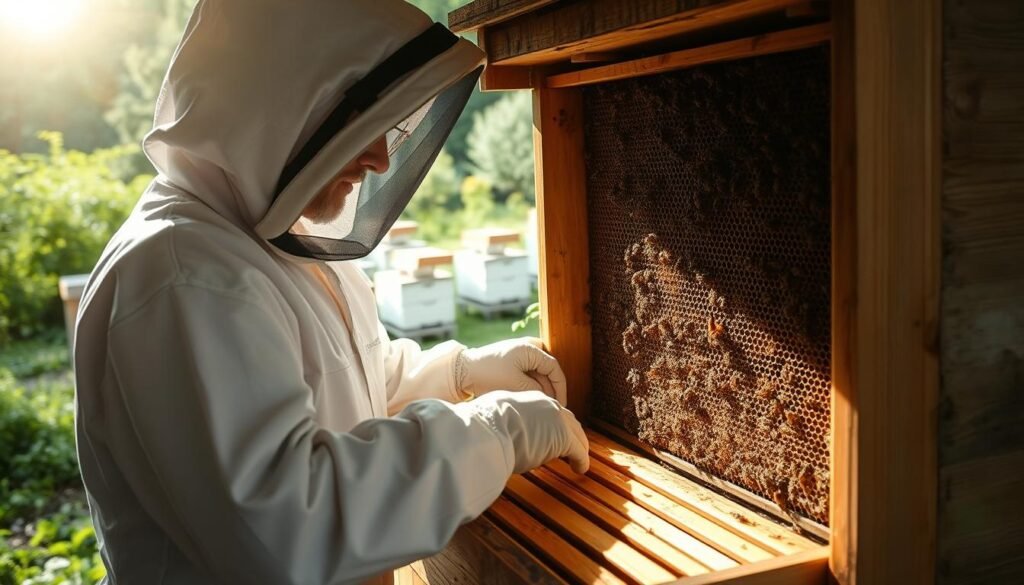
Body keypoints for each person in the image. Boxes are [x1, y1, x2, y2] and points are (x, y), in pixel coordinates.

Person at [72, 1, 589, 583]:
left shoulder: (269, 232)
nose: (380, 157)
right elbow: (289, 529)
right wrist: (493, 433)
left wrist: (457, 373)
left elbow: (343, 381)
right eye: (362, 124)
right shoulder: (185, 275)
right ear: (275, 107)